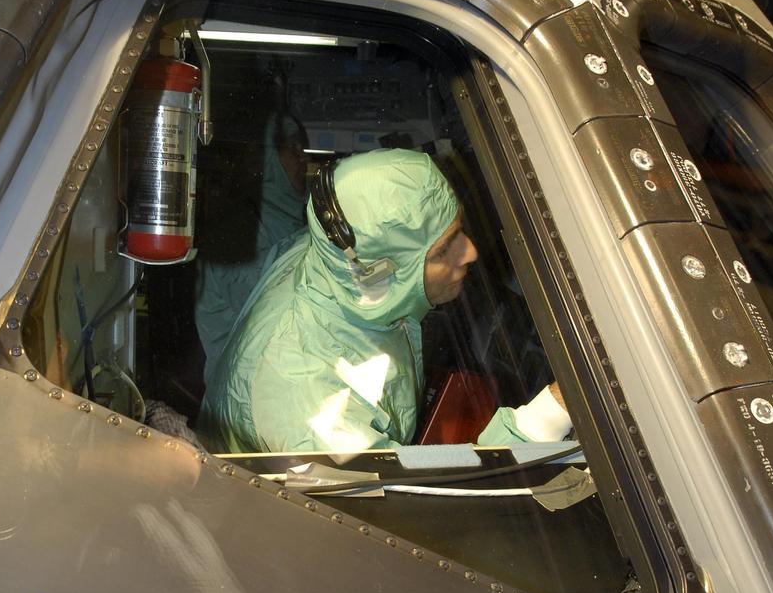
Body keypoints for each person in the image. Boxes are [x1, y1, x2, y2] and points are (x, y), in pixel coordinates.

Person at [204, 148, 571, 454]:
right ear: (381, 273)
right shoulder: (306, 399)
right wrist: (550, 413)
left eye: (458, 230)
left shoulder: (340, 261)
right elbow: (417, 506)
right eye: (445, 250)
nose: (470, 252)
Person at [195, 111, 308, 379]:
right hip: (244, 398)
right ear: (266, 159)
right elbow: (278, 325)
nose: (303, 157)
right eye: (291, 148)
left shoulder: (291, 222)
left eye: (302, 147)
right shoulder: (238, 233)